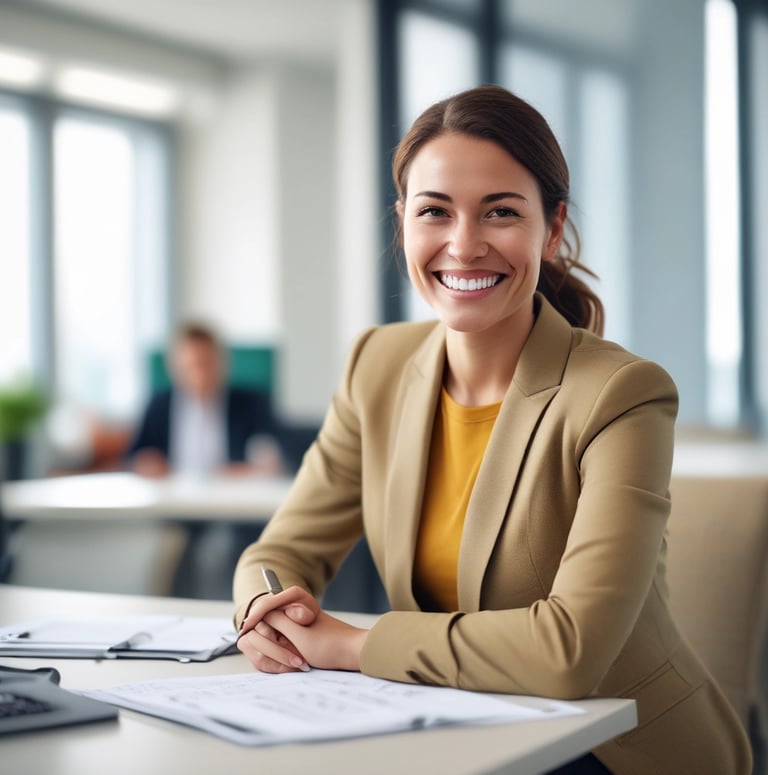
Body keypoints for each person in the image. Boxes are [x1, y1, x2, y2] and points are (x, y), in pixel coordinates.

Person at [233, 85, 751, 774]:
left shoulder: (620, 393)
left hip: (612, 746)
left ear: (552, 224)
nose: (464, 244)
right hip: (456, 727)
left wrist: (351, 644)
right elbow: (280, 550)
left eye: (501, 212)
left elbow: (568, 653)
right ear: (402, 222)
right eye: (434, 212)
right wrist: (266, 607)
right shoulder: (376, 365)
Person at [126, 322, 285, 479]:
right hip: (172, 497)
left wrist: (256, 466)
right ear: (174, 367)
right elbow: (133, 457)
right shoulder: (159, 406)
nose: (199, 374)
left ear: (222, 363)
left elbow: (275, 454)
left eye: (206, 364)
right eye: (191, 366)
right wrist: (145, 463)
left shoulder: (250, 404)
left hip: (232, 497)